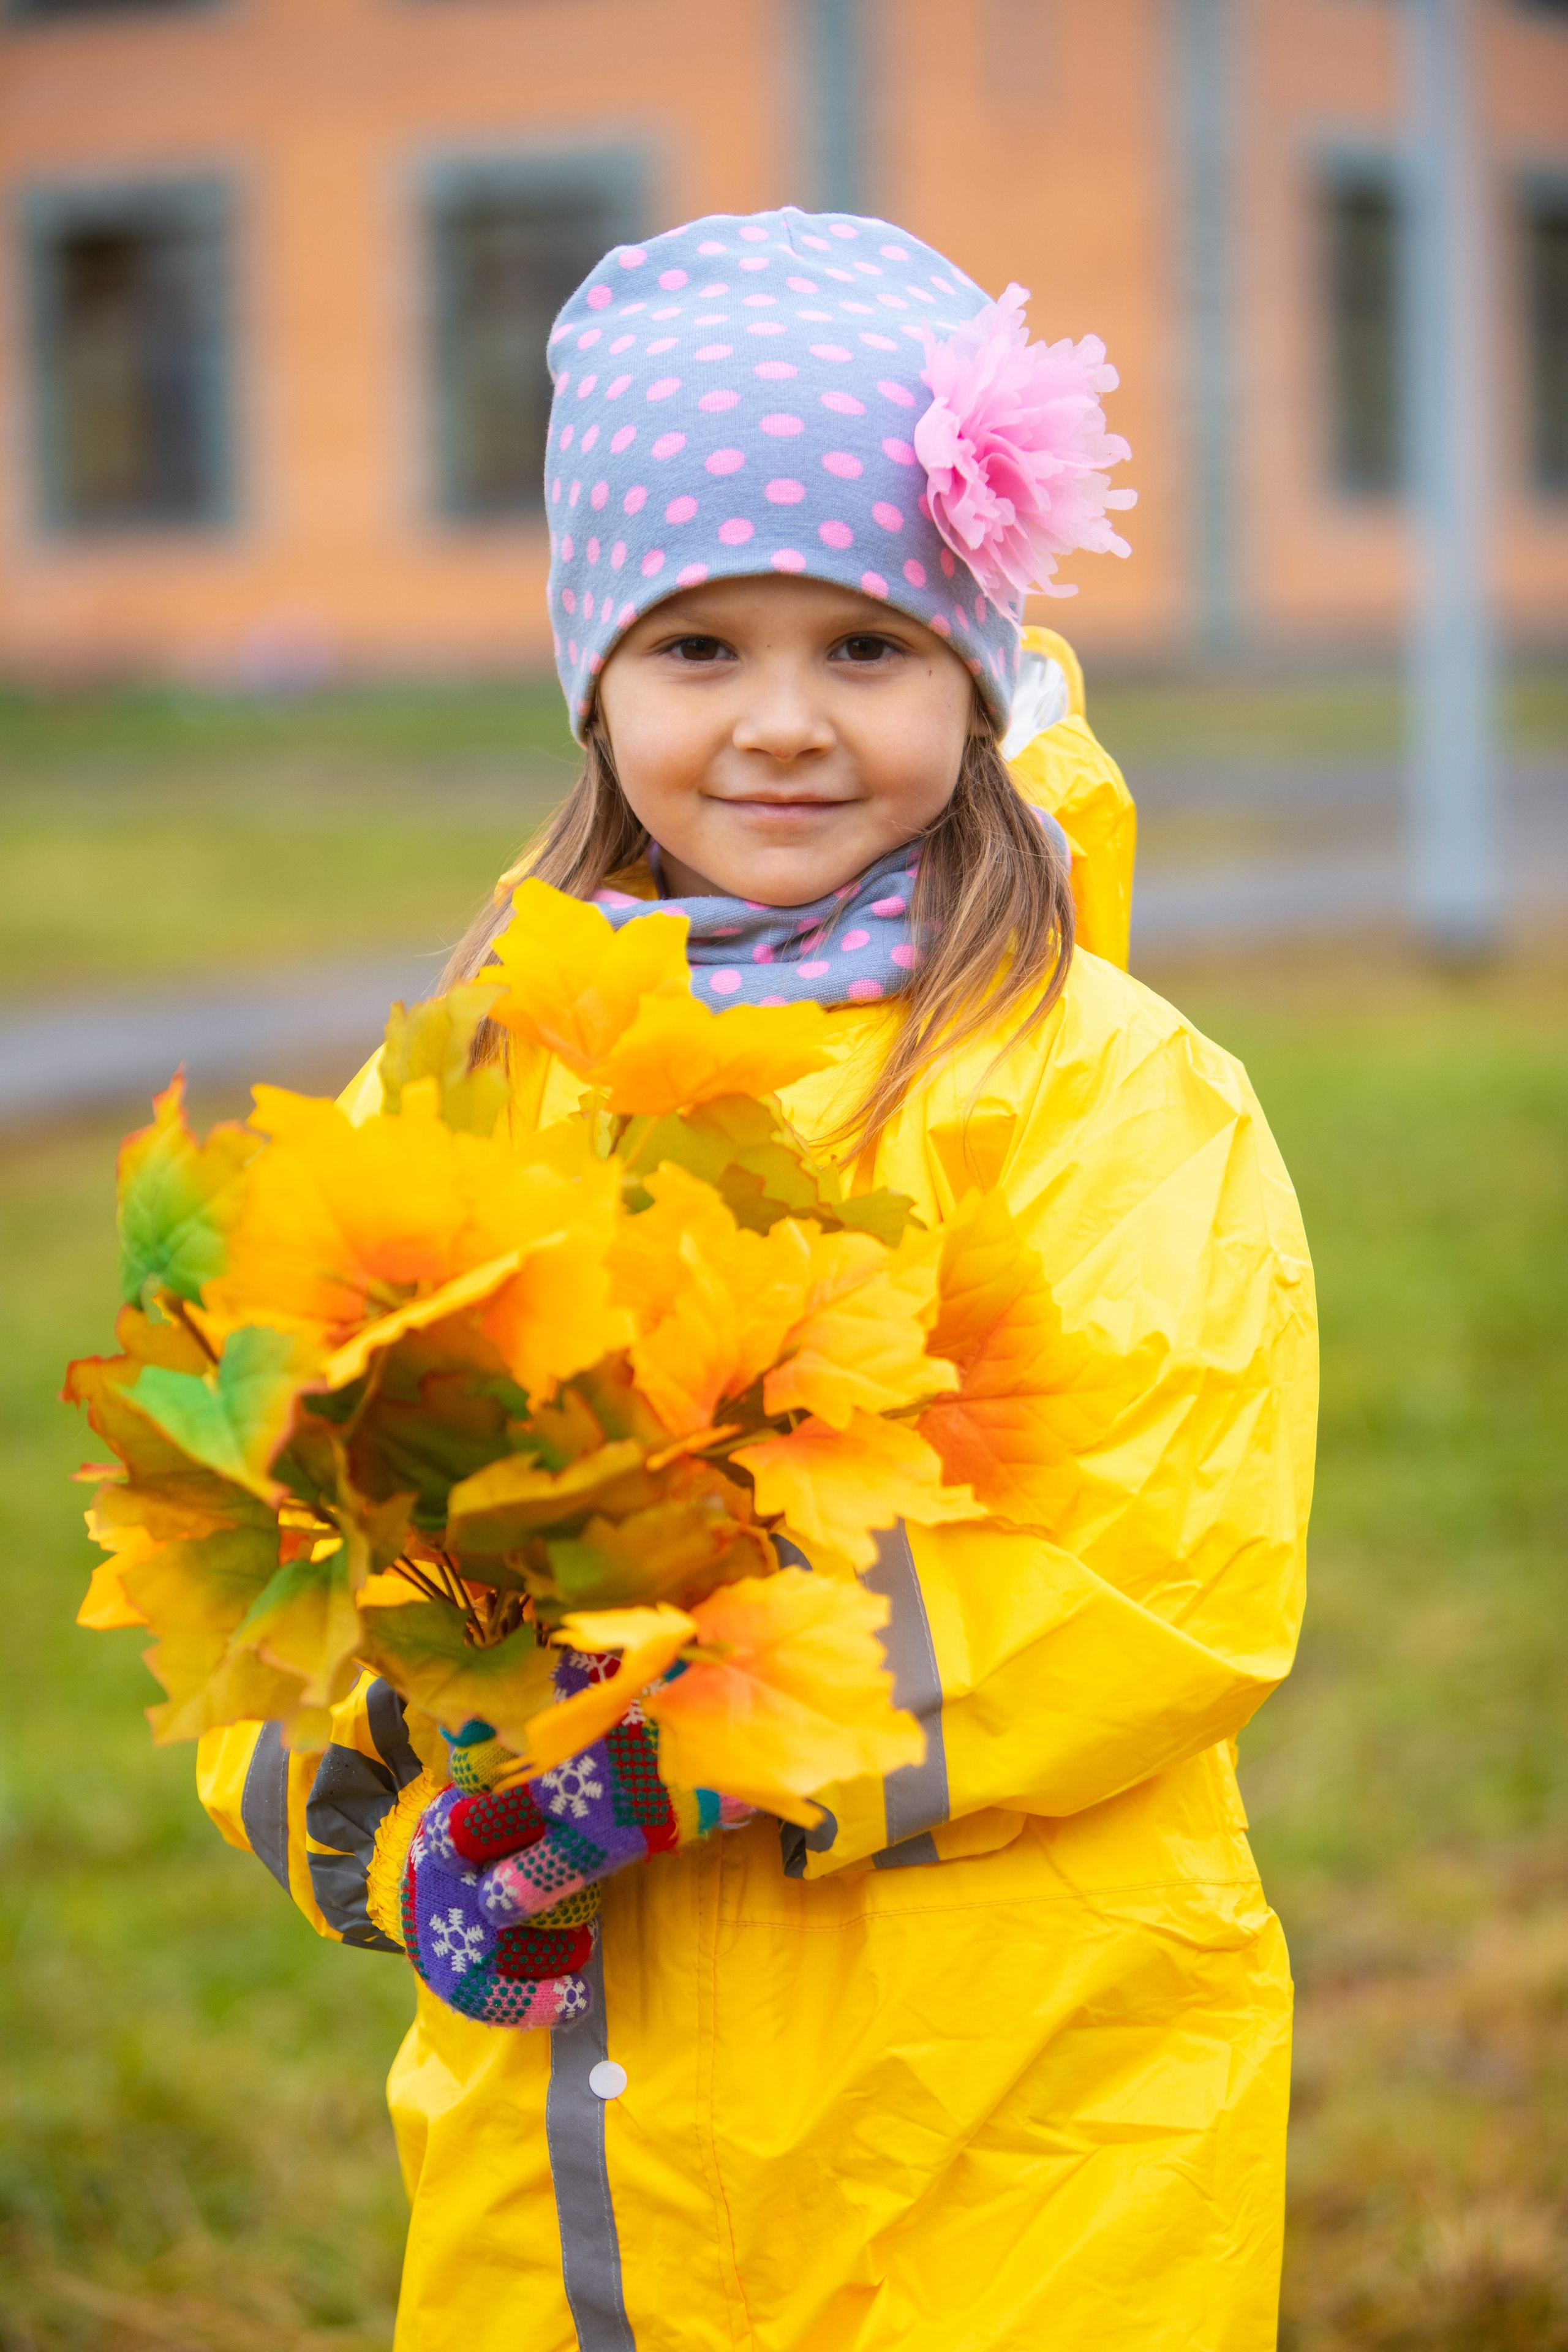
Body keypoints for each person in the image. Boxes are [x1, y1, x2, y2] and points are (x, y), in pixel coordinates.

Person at [197, 206, 1315, 2351]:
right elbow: (284, 1519)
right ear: (594, 680)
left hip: (1021, 2098)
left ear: (974, 676)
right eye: (701, 649)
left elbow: (1158, 1563)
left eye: (866, 648)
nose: (783, 725)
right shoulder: (486, 1081)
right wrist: (388, 1797)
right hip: (581, 2154)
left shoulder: (1100, 1094)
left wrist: (689, 1756)